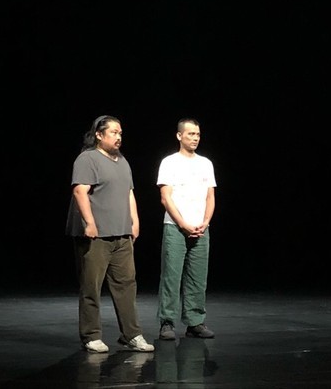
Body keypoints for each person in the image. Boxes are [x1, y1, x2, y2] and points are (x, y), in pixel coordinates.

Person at [65, 115, 156, 353]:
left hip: (121, 233)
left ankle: (131, 334)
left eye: (120, 133)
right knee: (91, 286)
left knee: (127, 284)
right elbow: (80, 192)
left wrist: (134, 221)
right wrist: (89, 223)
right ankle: (91, 336)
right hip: (96, 236)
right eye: (113, 132)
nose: (118, 137)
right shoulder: (88, 159)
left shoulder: (122, 161)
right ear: (99, 134)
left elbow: (129, 193)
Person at [156, 117, 217, 341]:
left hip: (201, 228)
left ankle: (195, 322)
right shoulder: (169, 162)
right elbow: (166, 198)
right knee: (171, 276)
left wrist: (205, 222)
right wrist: (183, 224)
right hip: (175, 227)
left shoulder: (206, 163)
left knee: (198, 278)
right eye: (191, 134)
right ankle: (167, 322)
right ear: (179, 135)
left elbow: (210, 197)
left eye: (198, 134)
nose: (195, 138)